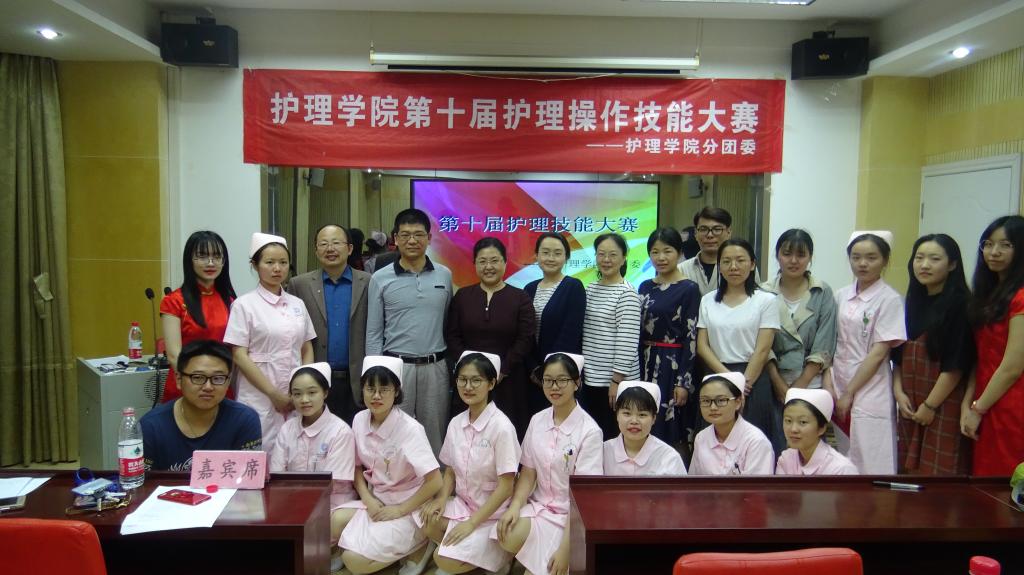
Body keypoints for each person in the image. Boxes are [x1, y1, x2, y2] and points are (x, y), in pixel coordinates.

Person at [336, 356, 443, 575]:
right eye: (370, 388)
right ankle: (391, 548)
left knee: (353, 561)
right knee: (333, 522)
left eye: (384, 389)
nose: (376, 396)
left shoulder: (410, 429)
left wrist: (400, 510)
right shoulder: (359, 420)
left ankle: (421, 546)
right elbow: (356, 467)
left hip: (408, 507)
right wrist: (367, 498)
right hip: (376, 501)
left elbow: (435, 481)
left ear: (396, 392)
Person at [497, 353, 603, 575]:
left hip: (571, 518)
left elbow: (582, 497)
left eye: (562, 380)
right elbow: (528, 473)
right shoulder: (537, 420)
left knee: (552, 565)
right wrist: (515, 506)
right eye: (548, 380)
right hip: (540, 509)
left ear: (577, 383)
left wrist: (565, 549)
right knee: (505, 534)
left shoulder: (590, 431)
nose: (554, 387)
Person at [418, 351, 520, 575]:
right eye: (462, 380)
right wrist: (442, 499)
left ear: (491, 384)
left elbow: (506, 487)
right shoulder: (456, 423)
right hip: (464, 506)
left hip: (492, 515)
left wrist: (472, 523)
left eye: (476, 380)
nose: (468, 387)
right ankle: (470, 558)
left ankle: (500, 558)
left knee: (441, 560)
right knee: (426, 519)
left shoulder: (502, 427)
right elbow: (450, 471)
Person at [366, 209, 453, 455]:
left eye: (418, 234)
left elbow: (447, 321)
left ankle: (437, 479)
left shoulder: (444, 275)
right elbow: (374, 332)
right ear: (395, 238)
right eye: (405, 235)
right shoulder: (380, 278)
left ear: (429, 238)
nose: (412, 240)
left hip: (435, 367)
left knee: (435, 433)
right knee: (394, 432)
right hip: (396, 368)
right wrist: (375, 373)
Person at [224, 233, 316, 457]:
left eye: (283, 262)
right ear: (255, 265)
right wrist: (273, 393)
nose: (277, 268)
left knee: (295, 452)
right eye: (269, 262)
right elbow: (239, 355)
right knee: (258, 453)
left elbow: (306, 347)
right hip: (258, 394)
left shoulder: (297, 304)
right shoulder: (244, 305)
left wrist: (303, 387)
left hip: (295, 395)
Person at [892, 234, 974, 475]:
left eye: (934, 259)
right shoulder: (911, 302)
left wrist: (930, 405)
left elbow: (956, 365)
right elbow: (897, 356)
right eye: (919, 258)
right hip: (910, 401)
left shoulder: (961, 305)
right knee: (908, 473)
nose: (924, 265)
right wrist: (898, 393)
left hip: (943, 401)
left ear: (952, 264)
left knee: (940, 474)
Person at [830, 231, 906, 475]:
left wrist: (850, 392)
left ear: (885, 260)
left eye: (871, 258)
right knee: (844, 457)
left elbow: (878, 353)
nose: (862, 264)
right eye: (856, 257)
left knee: (871, 459)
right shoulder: (840, 295)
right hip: (838, 383)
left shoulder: (889, 299)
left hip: (870, 388)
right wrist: (834, 387)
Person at [696, 238, 783, 453]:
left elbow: (763, 349)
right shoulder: (707, 300)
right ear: (719, 266)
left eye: (740, 260)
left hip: (753, 378)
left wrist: (742, 384)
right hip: (716, 376)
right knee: (714, 443)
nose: (733, 267)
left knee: (753, 442)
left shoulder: (766, 300)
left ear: (752, 264)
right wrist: (728, 380)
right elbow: (702, 346)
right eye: (726, 261)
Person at [270, 362, 355, 573]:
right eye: (297, 394)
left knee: (326, 524)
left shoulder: (340, 431)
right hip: (291, 499)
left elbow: (335, 483)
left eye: (312, 392)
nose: (304, 400)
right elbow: (276, 474)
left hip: (331, 501)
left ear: (325, 392)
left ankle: (334, 549)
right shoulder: (287, 428)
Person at [446, 237, 535, 439]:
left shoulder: (520, 298)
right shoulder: (462, 296)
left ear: (505, 262)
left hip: (508, 380)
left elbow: (525, 338)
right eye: (482, 261)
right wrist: (469, 371)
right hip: (469, 382)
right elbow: (452, 335)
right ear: (475, 264)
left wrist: (501, 370)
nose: (488, 267)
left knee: (507, 435)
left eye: (494, 261)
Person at [287, 224, 370, 424]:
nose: (330, 249)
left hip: (356, 378)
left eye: (336, 243)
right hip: (316, 379)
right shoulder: (299, 284)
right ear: (316, 250)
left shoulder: (368, 282)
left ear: (349, 248)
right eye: (323, 244)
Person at [962, 215, 1024, 477]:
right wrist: (969, 402)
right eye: (988, 244)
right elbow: (980, 357)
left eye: (1005, 245)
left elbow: (1012, 366)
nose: (994, 252)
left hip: (1012, 402)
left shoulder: (1021, 296)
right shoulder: (988, 294)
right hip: (986, 398)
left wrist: (978, 408)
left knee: (1005, 480)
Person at [141, 339, 261, 471]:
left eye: (218, 378)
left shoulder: (244, 420)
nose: (208, 387)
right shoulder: (151, 426)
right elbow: (143, 481)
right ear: (179, 379)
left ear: (228, 381)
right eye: (197, 377)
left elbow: (248, 477)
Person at [638, 227, 699, 446]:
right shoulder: (645, 286)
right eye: (655, 252)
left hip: (671, 366)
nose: (661, 257)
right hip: (644, 362)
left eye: (667, 251)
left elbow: (691, 337)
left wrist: (683, 381)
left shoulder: (689, 288)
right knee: (643, 418)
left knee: (669, 425)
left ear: (679, 253)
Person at [160, 230, 237, 403]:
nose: (210, 263)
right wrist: (195, 382)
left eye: (217, 257)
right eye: (202, 256)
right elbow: (173, 355)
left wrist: (221, 382)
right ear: (189, 260)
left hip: (220, 385)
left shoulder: (231, 301)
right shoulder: (173, 301)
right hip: (187, 384)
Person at [761, 229, 837, 399]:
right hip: (771, 383)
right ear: (777, 255)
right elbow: (761, 345)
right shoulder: (763, 293)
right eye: (787, 254)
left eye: (801, 255)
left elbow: (825, 343)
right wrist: (778, 383)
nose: (794, 261)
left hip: (812, 384)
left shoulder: (822, 292)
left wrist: (799, 386)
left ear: (810, 257)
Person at [582, 232, 642, 439]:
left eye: (613, 255)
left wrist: (616, 381)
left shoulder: (627, 293)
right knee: (594, 436)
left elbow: (627, 341)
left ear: (624, 258)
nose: (606, 260)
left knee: (613, 436)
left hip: (614, 382)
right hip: (591, 378)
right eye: (601, 254)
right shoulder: (590, 289)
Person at [524, 232, 586, 417]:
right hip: (532, 375)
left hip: (561, 375)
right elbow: (524, 332)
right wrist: (533, 367)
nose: (551, 258)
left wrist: (547, 371)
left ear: (566, 257)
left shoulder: (574, 287)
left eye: (557, 253)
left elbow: (570, 334)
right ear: (536, 256)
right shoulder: (529, 288)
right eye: (545, 252)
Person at [689, 372, 774, 475]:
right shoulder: (701, 438)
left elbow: (758, 485)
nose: (713, 407)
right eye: (706, 401)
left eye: (721, 400)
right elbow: (694, 482)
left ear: (738, 402)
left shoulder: (756, 442)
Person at [603, 381, 687, 476]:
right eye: (627, 413)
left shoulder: (669, 458)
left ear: (653, 418)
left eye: (642, 415)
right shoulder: (603, 452)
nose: (634, 421)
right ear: (617, 415)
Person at [677, 207, 760, 296]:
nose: (710, 235)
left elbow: (754, 298)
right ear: (696, 234)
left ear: (729, 232)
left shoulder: (744, 267)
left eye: (717, 229)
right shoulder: (681, 269)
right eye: (703, 229)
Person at [776, 387, 858, 475]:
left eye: (803, 422)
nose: (793, 429)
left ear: (821, 428)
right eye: (788, 421)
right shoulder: (786, 459)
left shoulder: (841, 469)